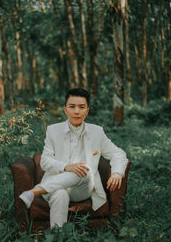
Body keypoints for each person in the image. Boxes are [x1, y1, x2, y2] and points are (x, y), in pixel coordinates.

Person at [19, 88, 128, 228]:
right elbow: (45, 161)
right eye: (72, 107)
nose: (76, 111)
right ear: (65, 109)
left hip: (82, 188)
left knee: (86, 169)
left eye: (81, 107)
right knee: (60, 195)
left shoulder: (97, 132)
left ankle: (35, 191)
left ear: (87, 110)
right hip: (55, 185)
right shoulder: (53, 130)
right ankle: (57, 240)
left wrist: (117, 173)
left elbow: (118, 153)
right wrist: (66, 167)